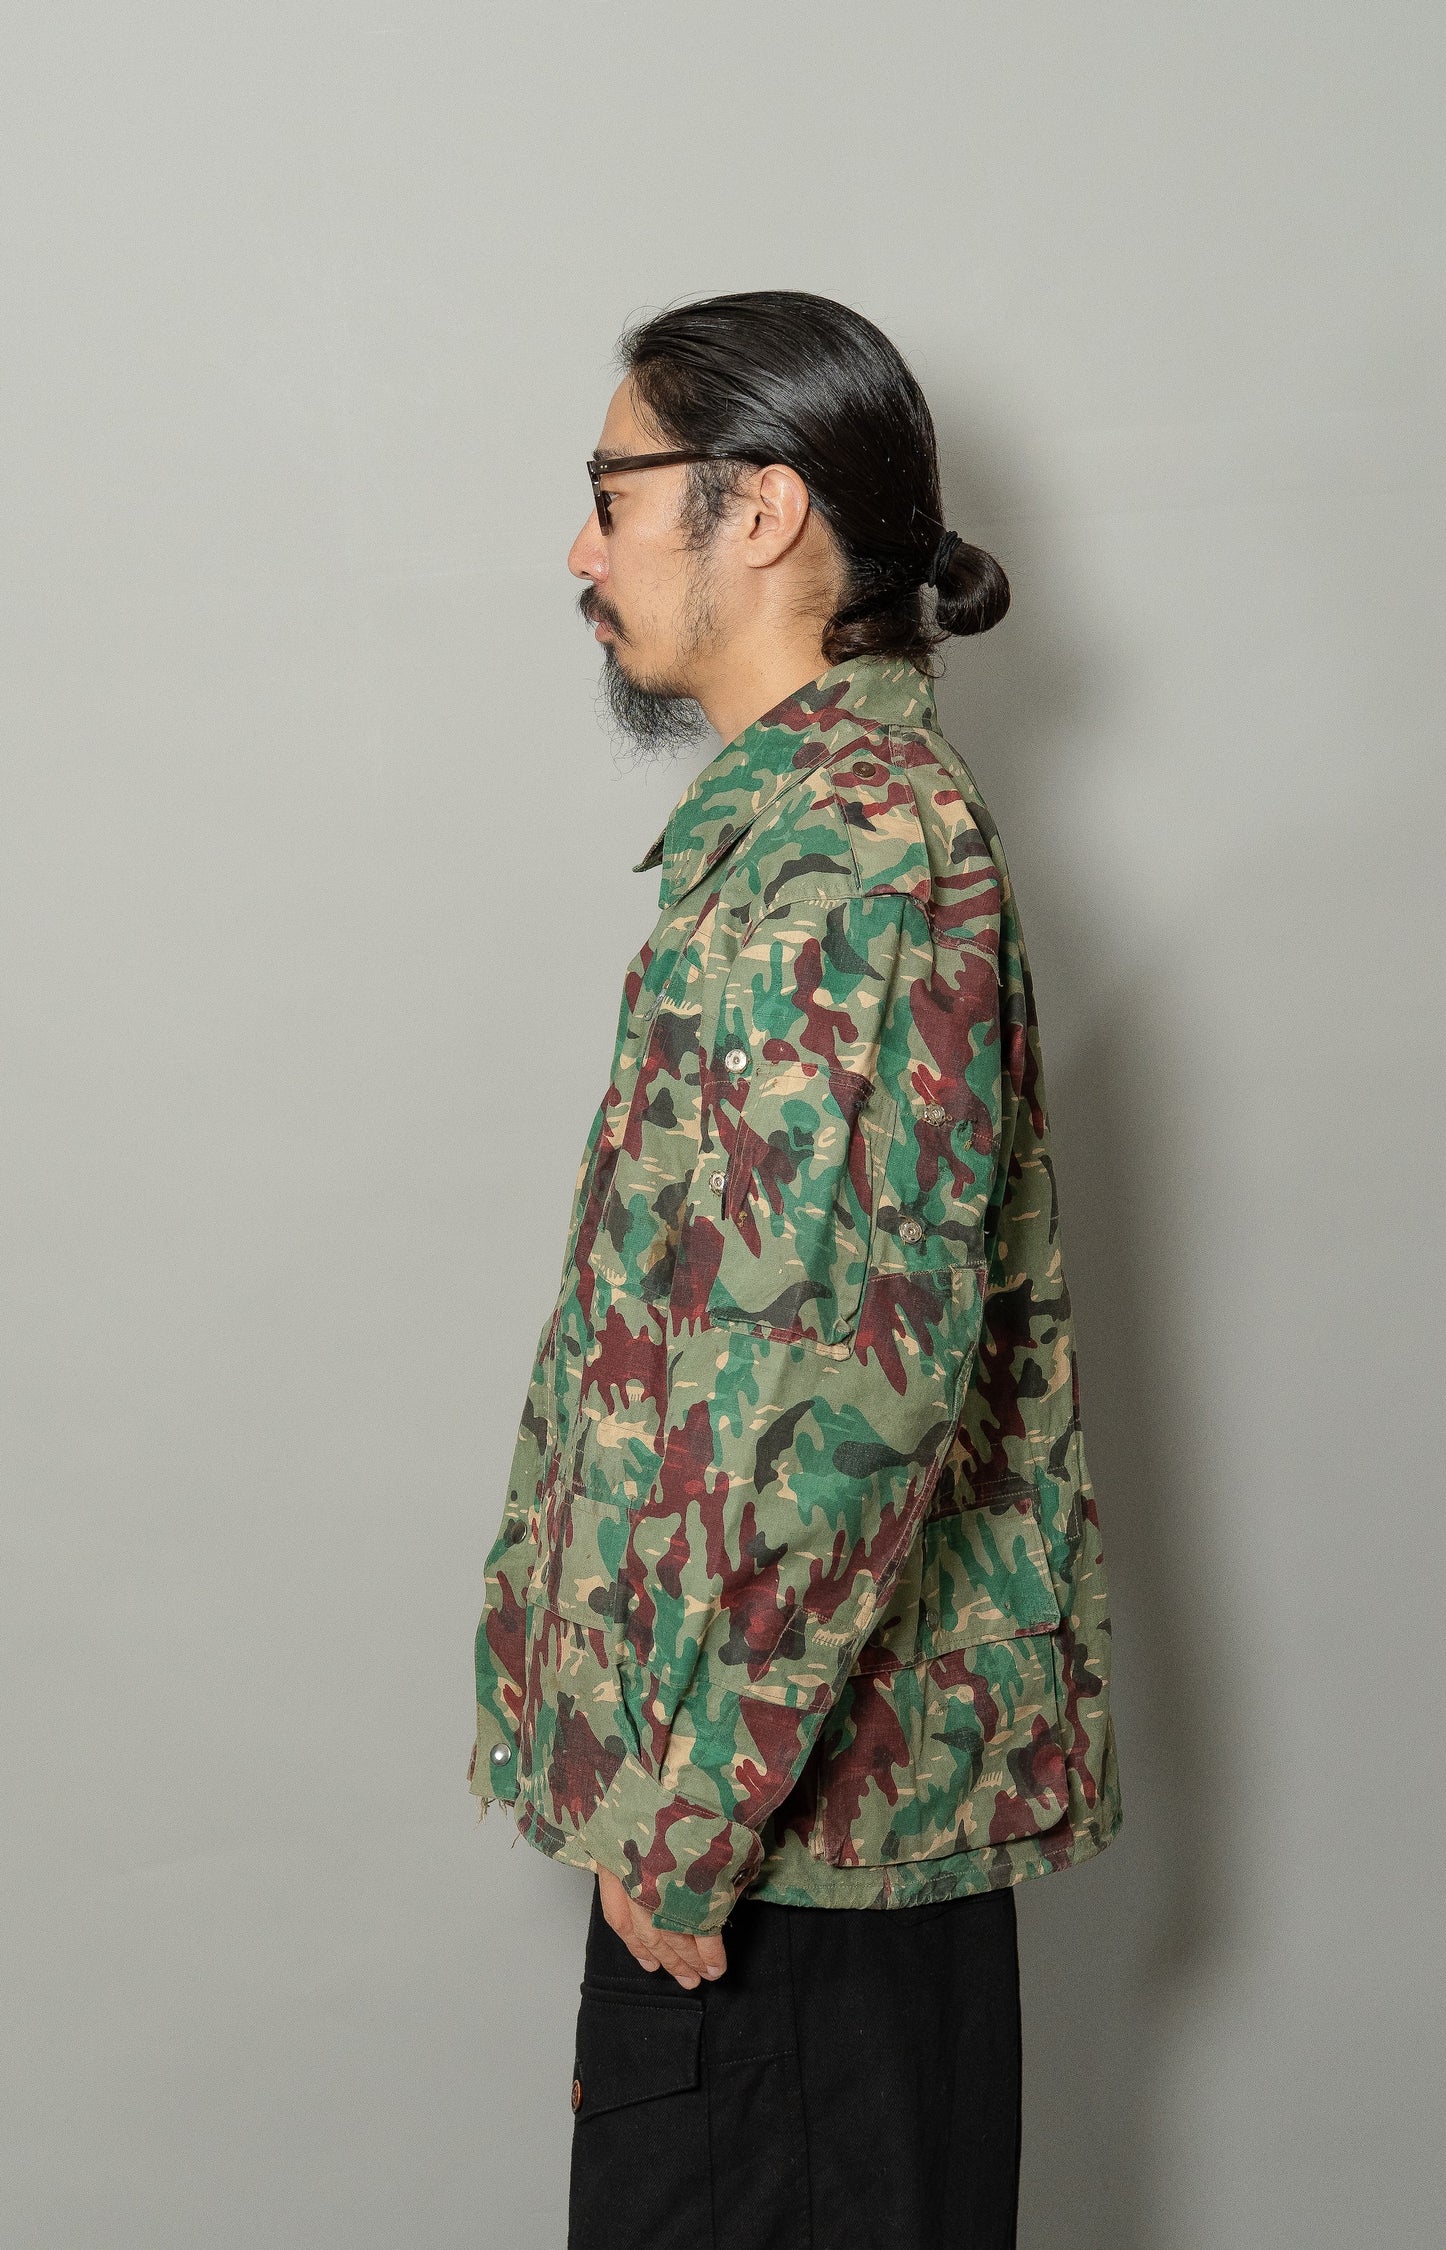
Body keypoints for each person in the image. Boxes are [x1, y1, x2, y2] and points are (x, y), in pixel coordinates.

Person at [468, 289, 1121, 2250]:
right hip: (770, 1823)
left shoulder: (855, 857)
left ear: (756, 510)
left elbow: (842, 1401)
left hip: (789, 1851)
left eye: (611, 491)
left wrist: (687, 1815)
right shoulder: (803, 839)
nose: (579, 547)